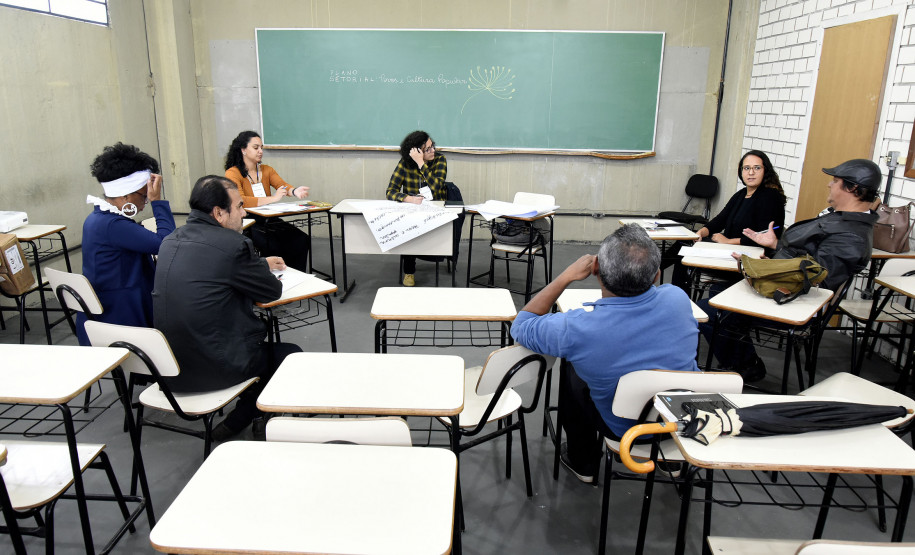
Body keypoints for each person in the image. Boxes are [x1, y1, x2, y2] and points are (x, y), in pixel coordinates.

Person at [510, 224, 699, 482]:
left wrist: (565, 277)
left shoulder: (577, 330)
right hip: (681, 419)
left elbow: (521, 325)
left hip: (626, 428)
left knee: (572, 368)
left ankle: (583, 461)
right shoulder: (677, 299)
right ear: (656, 276)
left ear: (596, 270)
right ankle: (670, 462)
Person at [699, 158, 881, 382]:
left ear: (852, 188)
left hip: (794, 301)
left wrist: (764, 269)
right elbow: (810, 261)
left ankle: (746, 366)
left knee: (707, 311)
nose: (829, 185)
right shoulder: (842, 220)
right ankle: (739, 355)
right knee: (718, 290)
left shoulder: (851, 236)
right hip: (788, 289)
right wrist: (775, 246)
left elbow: (816, 280)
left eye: (835, 180)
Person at [152, 175, 302, 439]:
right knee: (290, 356)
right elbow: (270, 291)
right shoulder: (233, 244)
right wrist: (256, 264)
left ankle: (245, 418)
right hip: (212, 367)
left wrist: (259, 264)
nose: (244, 213)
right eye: (240, 207)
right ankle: (244, 418)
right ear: (219, 213)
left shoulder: (171, 240)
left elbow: (211, 270)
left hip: (167, 366)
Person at [78, 143, 175, 346]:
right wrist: (158, 202)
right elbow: (167, 244)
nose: (145, 201)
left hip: (107, 305)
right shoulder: (113, 225)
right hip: (120, 314)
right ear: (125, 196)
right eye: (143, 195)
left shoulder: (98, 218)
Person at [669, 150, 786, 292]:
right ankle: (659, 278)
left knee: (684, 253)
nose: (751, 173)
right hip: (728, 251)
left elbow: (763, 237)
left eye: (757, 168)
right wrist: (702, 231)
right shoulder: (741, 194)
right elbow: (720, 219)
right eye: (747, 168)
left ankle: (666, 288)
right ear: (741, 171)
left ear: (765, 171)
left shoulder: (769, 196)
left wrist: (728, 241)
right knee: (686, 242)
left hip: (744, 258)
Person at [224, 130, 312, 272]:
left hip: (269, 218)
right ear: (243, 150)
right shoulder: (232, 173)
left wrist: (294, 191)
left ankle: (295, 276)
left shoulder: (266, 170)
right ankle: (274, 280)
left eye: (261, 147)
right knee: (273, 245)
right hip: (249, 222)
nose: (260, 151)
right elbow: (242, 201)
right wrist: (273, 198)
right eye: (255, 147)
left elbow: (281, 185)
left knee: (301, 239)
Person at [386, 130, 448, 286]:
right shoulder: (405, 164)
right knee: (409, 229)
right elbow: (390, 191)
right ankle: (409, 272)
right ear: (417, 151)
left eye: (432, 145)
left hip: (436, 210)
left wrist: (421, 164)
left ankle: (441, 255)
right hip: (414, 211)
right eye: (428, 149)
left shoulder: (440, 160)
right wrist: (409, 199)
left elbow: (436, 187)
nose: (433, 150)